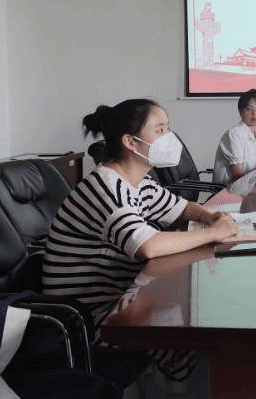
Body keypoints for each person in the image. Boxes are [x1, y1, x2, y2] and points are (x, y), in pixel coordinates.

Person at [42, 98, 243, 381]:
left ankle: (204, 383)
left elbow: (181, 208)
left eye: (168, 128)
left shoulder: (140, 182)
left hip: (124, 295)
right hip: (94, 319)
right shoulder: (107, 186)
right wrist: (213, 233)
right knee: (198, 327)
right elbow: (147, 246)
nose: (169, 137)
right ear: (130, 142)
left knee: (203, 309)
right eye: (159, 130)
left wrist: (211, 217)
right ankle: (204, 390)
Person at [212, 89, 256, 184]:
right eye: (249, 109)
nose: (254, 113)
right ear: (240, 112)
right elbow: (237, 175)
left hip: (249, 187)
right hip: (230, 189)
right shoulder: (234, 134)